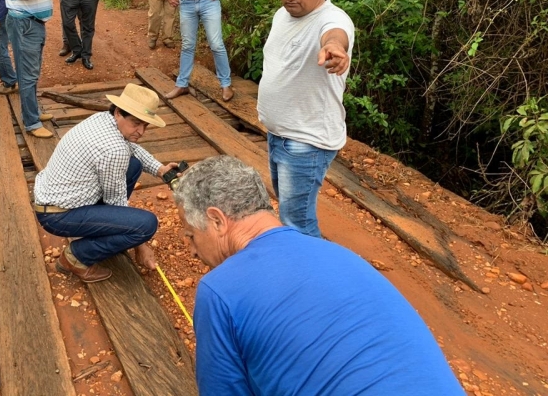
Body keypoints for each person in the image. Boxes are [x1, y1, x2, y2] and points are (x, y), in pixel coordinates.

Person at [173, 156, 465, 396]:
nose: (192, 250)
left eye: (191, 236)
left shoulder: (220, 289)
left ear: (217, 220)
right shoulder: (341, 255)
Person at [33, 84, 178, 282]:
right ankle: (75, 257)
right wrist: (141, 243)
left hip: (53, 199)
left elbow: (131, 148)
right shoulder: (113, 150)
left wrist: (161, 170)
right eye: (136, 123)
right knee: (146, 225)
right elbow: (116, 202)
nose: (141, 131)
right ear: (119, 113)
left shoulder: (102, 119)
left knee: (133, 165)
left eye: (145, 125)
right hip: (58, 215)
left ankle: (101, 231)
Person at [257, 0, 354, 238]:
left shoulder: (334, 18)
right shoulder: (281, 15)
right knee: (289, 212)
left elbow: (335, 33)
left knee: (297, 222)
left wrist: (335, 48)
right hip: (279, 134)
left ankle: (311, 277)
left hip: (305, 141)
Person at [0, 0, 65, 139]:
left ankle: (34, 111)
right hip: (24, 24)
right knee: (27, 75)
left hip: (32, 23)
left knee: (33, 72)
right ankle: (31, 122)